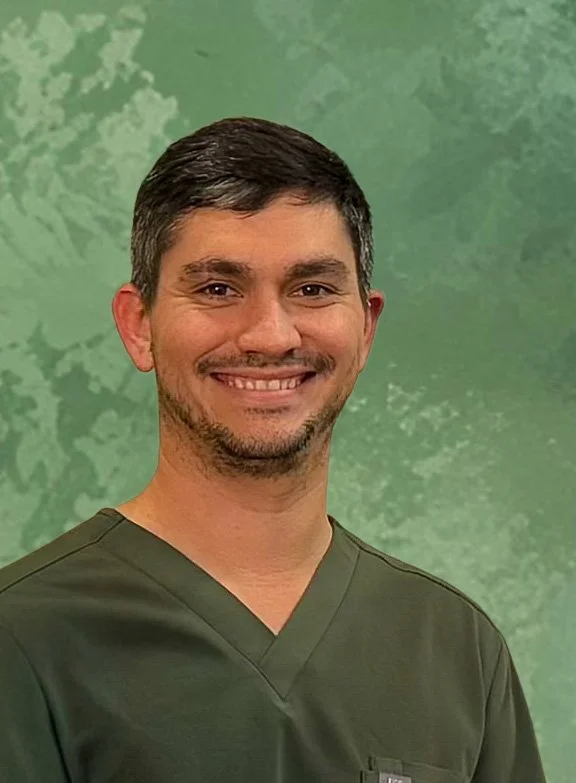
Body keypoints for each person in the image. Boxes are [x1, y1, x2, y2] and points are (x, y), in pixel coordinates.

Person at [0, 117, 546, 783]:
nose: (269, 334)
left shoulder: (456, 648)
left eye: (312, 288)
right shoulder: (24, 637)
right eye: (218, 289)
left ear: (365, 326)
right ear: (138, 324)